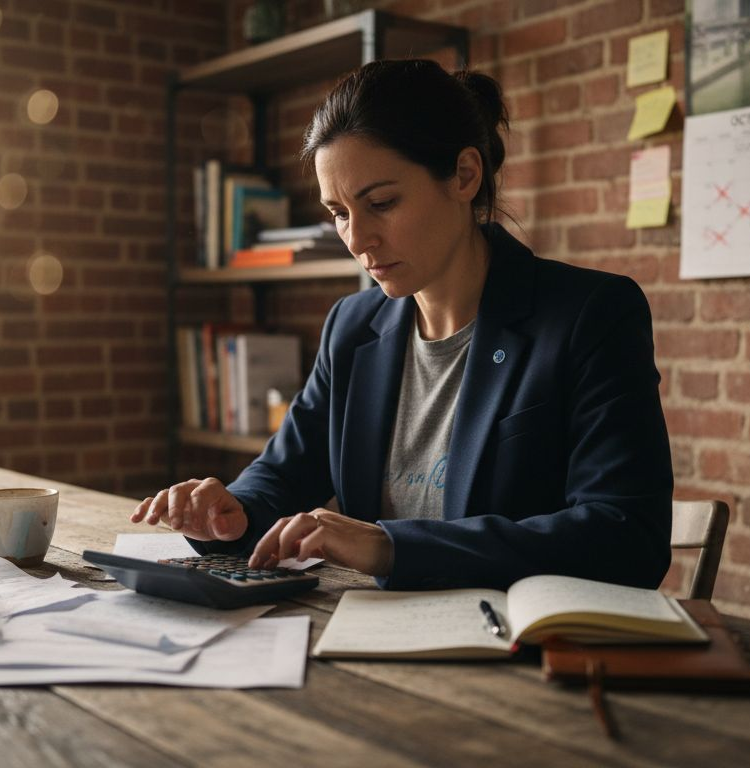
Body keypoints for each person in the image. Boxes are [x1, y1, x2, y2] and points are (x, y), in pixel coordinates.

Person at [131, 59, 672, 591]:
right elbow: (283, 472)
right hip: (375, 645)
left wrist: (392, 546)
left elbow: (628, 539)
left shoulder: (591, 314)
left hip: (520, 650)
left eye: (382, 203)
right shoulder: (352, 326)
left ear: (464, 175)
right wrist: (232, 512)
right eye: (339, 212)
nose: (357, 239)